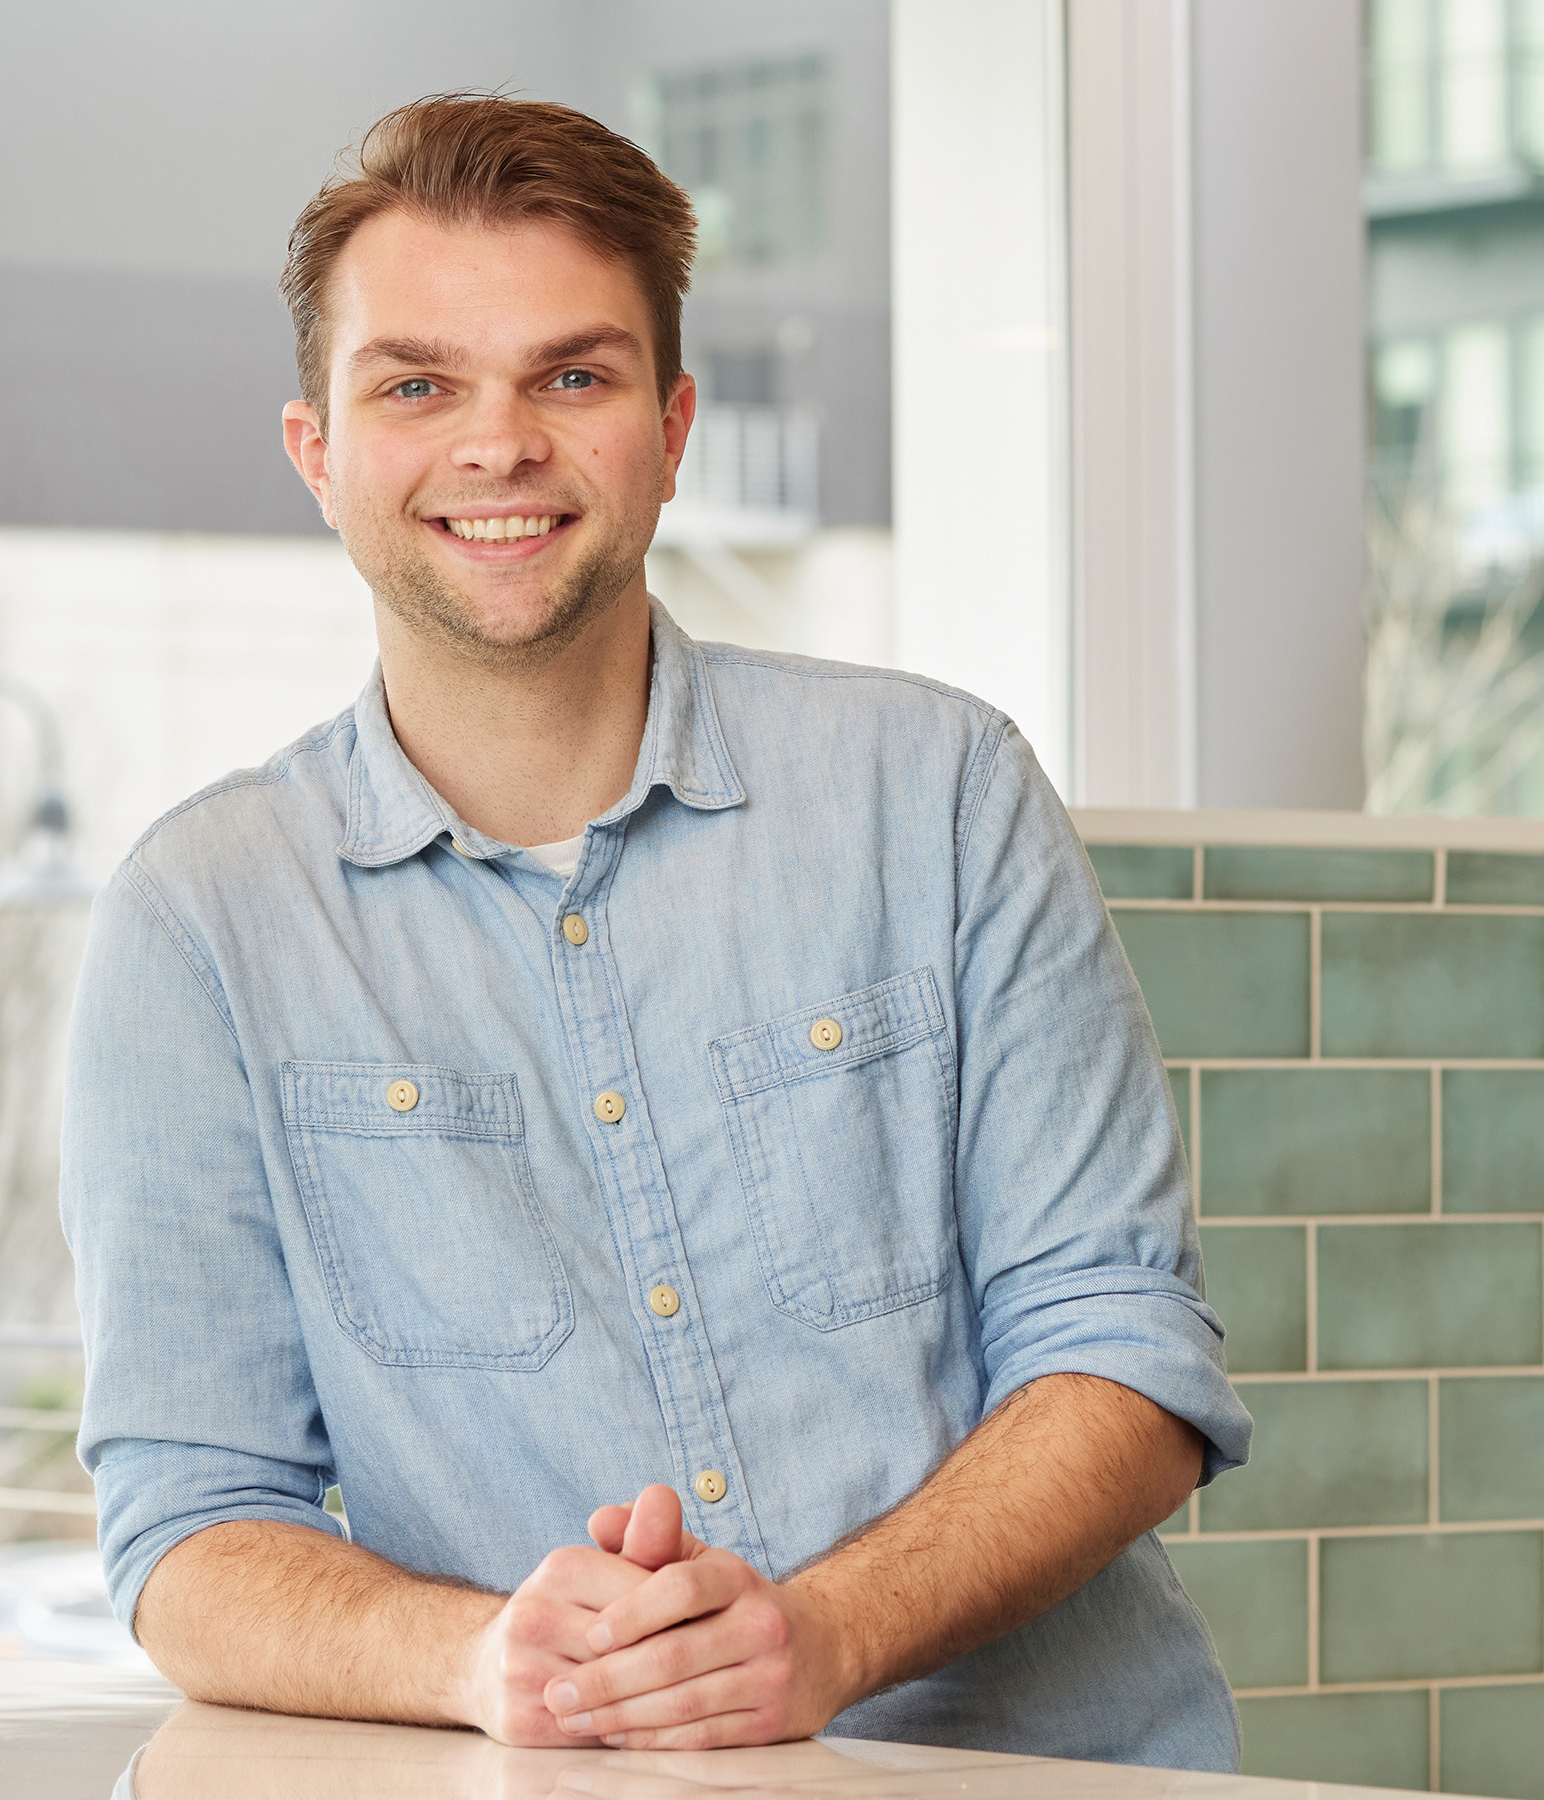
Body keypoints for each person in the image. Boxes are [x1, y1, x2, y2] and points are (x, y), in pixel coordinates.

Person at [62, 93, 1252, 1769]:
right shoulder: (202, 924)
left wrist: (825, 1633)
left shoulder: (943, 791)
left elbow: (1124, 1360)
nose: (498, 445)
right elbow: (187, 1528)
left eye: (573, 375)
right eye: (416, 385)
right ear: (316, 451)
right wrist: (487, 1659)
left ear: (673, 427)